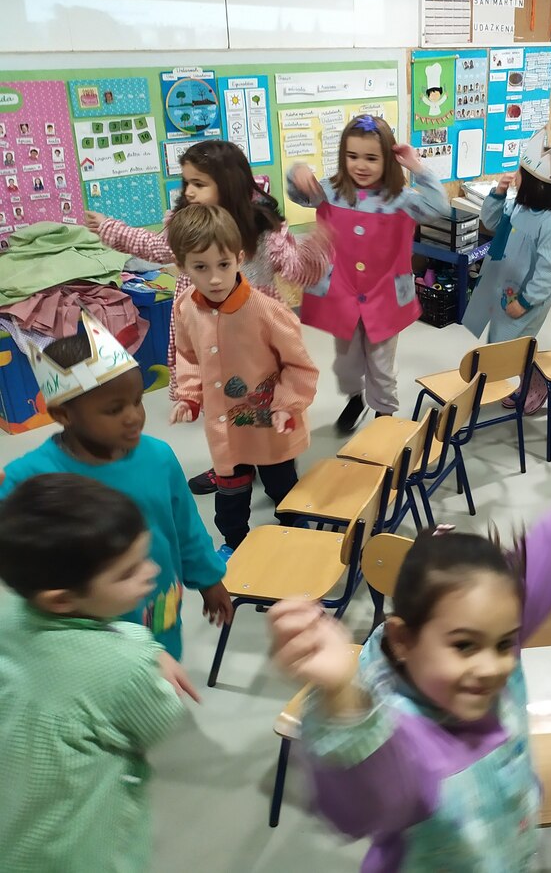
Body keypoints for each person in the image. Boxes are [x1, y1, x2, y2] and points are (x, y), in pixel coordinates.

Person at [268, 466, 551, 871]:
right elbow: (360, 807)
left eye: (505, 643)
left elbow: (544, 562)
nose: (492, 666)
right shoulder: (399, 734)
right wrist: (341, 696)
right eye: (464, 645)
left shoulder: (485, 641)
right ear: (403, 640)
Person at [86, 139, 330, 496]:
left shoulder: (261, 228)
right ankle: (232, 465)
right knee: (222, 403)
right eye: (187, 182)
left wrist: (322, 241)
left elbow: (299, 270)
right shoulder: (187, 226)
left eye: (199, 183)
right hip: (206, 332)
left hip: (255, 340)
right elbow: (152, 246)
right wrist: (111, 228)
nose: (189, 191)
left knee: (261, 405)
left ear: (229, 183)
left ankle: (274, 463)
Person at [0, 314, 231, 661]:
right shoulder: (28, 476)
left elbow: (185, 527)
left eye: (137, 400)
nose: (133, 416)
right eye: (113, 409)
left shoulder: (158, 456)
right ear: (63, 415)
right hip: (81, 631)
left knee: (160, 673)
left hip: (156, 607)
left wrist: (209, 579)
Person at [0, 474, 189, 873]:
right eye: (127, 572)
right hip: (79, 848)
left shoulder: (8, 615)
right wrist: (146, 648)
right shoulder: (127, 663)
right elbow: (155, 723)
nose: (152, 571)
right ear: (61, 600)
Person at [167, 204, 318, 555]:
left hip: (270, 425)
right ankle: (234, 542)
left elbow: (300, 366)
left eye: (223, 265)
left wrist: (286, 405)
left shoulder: (267, 311)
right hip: (226, 428)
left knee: (282, 485)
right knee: (230, 491)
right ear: (182, 267)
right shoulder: (186, 306)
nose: (215, 279)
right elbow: (188, 356)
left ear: (238, 258)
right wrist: (189, 395)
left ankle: (297, 529)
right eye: (200, 268)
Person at [288, 115, 450, 433]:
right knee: (346, 364)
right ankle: (355, 399)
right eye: (353, 156)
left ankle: (384, 415)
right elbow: (299, 194)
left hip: (384, 298)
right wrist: (297, 173)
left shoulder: (400, 199)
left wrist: (417, 167)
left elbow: (439, 207)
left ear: (387, 159)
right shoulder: (331, 192)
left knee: (382, 366)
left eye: (371, 158)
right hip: (341, 297)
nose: (361, 165)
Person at [463, 128, 551, 414]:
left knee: (511, 344)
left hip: (526, 298)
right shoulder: (519, 206)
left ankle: (536, 385)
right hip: (504, 287)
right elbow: (490, 221)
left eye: (521, 173)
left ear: (536, 185)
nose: (516, 176)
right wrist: (498, 194)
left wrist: (525, 301)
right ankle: (527, 382)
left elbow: (549, 274)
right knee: (500, 341)